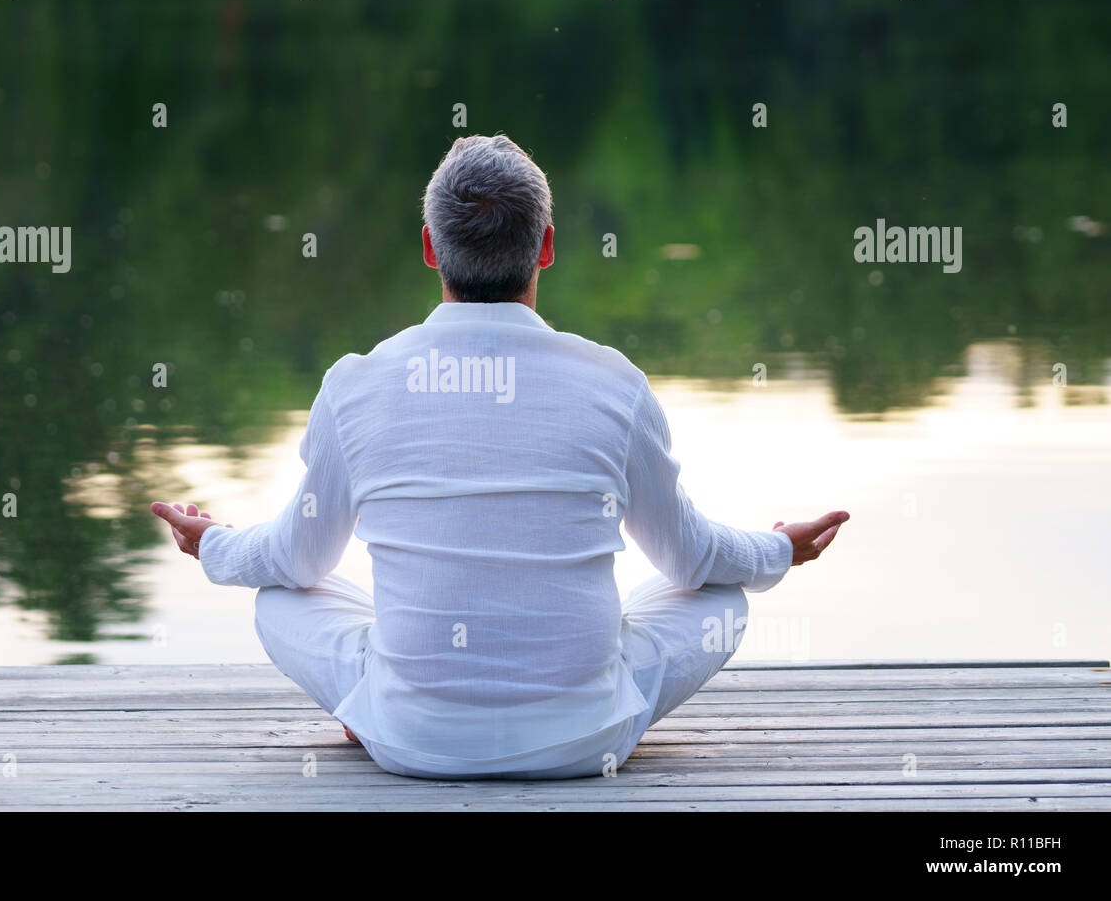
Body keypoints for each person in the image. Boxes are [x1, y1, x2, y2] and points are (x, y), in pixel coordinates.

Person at [151, 134, 848, 779]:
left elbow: (295, 562)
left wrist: (215, 546)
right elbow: (692, 557)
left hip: (411, 741)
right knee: (719, 593)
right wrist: (776, 550)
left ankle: (374, 706)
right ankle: (570, 700)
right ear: (546, 247)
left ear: (429, 248)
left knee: (279, 598)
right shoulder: (614, 383)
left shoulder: (355, 385)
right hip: (586, 740)